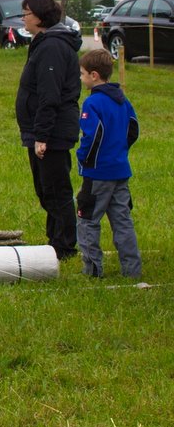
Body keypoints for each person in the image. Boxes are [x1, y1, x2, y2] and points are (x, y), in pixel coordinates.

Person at [15, 0, 81, 259]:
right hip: (41, 130)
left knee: (55, 188)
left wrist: (42, 135)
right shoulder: (44, 43)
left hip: (51, 131)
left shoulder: (53, 46)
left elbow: (49, 94)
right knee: (46, 188)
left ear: (40, 17)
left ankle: (64, 246)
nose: (23, 18)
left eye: (27, 13)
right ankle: (54, 239)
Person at [75, 49, 141, 278]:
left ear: (94, 75)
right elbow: (134, 129)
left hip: (98, 173)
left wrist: (84, 158)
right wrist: (120, 151)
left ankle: (92, 270)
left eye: (82, 74)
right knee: (122, 220)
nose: (80, 78)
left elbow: (92, 136)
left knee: (87, 220)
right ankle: (132, 271)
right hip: (120, 170)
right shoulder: (123, 100)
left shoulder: (93, 103)